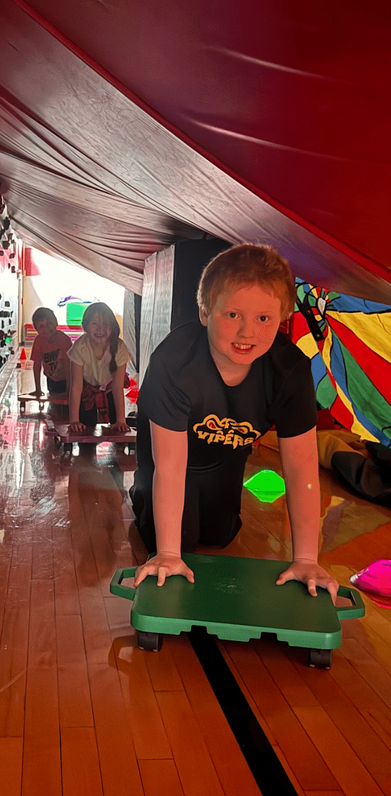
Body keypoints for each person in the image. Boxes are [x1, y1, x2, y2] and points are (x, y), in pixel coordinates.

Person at [131, 243, 339, 601]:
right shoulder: (174, 363)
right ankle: (140, 492)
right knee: (178, 542)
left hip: (225, 459)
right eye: (232, 315)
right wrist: (168, 554)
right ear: (205, 312)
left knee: (219, 535)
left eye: (263, 319)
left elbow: (302, 467)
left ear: (282, 320)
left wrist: (306, 558)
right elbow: (170, 465)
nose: (247, 333)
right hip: (167, 459)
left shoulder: (289, 371)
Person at [68, 302, 130, 433]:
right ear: (86, 326)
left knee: (119, 432)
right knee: (85, 431)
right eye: (94, 323)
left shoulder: (119, 347)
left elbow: (117, 387)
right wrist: (74, 420)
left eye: (105, 324)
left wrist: (121, 421)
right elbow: (76, 387)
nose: (100, 329)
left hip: (110, 390)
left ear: (112, 327)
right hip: (88, 391)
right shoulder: (80, 347)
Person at [30, 307, 72, 398]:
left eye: (49, 323)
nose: (47, 328)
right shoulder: (38, 341)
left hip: (66, 377)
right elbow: (37, 365)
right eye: (41, 326)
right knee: (54, 399)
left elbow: (69, 366)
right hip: (51, 378)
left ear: (56, 323)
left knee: (66, 403)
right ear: (37, 330)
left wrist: (69, 390)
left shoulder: (64, 340)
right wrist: (38, 389)